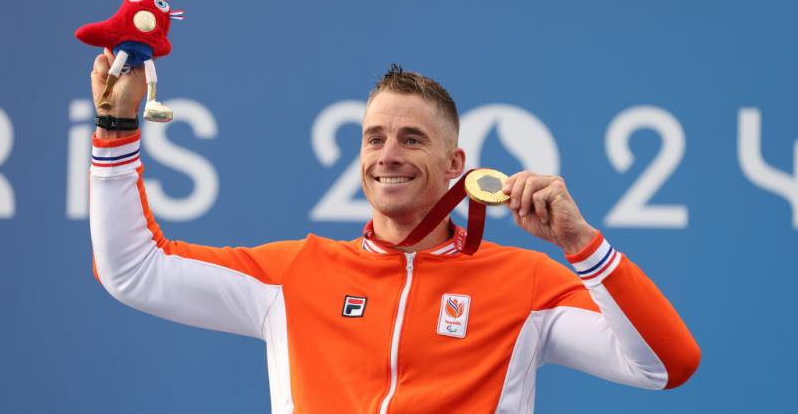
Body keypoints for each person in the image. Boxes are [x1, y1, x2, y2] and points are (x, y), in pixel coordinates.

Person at [88, 51, 700, 413]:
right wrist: (115, 124)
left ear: (456, 165)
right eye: (374, 138)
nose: (389, 154)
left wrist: (583, 247)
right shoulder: (298, 272)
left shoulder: (525, 283)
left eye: (413, 139)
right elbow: (133, 270)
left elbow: (663, 367)